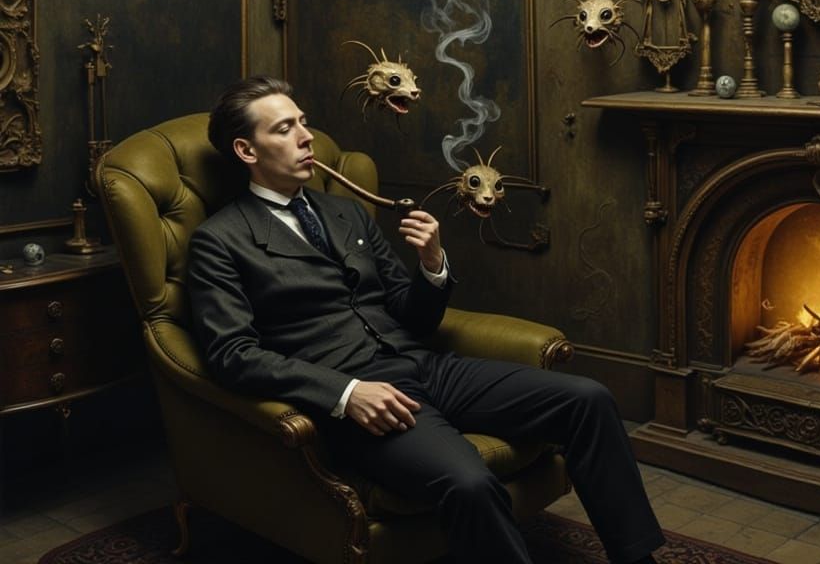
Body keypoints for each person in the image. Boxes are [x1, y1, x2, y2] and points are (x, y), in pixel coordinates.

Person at [188, 75, 665, 564]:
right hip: (362, 397)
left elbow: (408, 314)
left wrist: (433, 264)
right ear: (246, 151)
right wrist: (346, 394)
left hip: (427, 367)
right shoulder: (219, 240)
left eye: (303, 123)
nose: (307, 137)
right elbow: (233, 355)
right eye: (285, 129)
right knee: (469, 482)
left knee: (588, 399)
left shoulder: (347, 213)